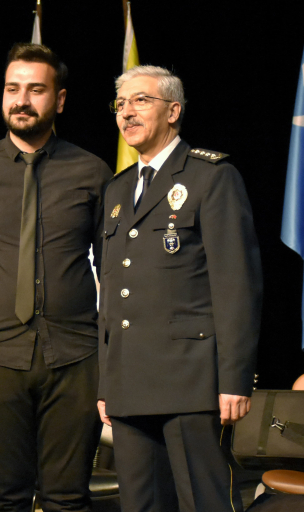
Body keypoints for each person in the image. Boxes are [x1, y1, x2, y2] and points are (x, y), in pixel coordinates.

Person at [0, 43, 113, 511]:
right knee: (5, 498)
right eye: (12, 89)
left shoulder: (93, 173)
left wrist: (114, 363)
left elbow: (116, 274)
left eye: (36, 90)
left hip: (77, 359)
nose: (22, 100)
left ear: (60, 99)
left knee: (68, 498)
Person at [98, 65, 262, 512]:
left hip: (192, 382)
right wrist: (106, 382)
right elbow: (111, 293)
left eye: (140, 100)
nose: (127, 112)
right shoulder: (117, 190)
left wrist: (235, 379)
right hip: (129, 383)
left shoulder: (211, 176)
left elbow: (237, 286)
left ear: (173, 111)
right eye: (120, 104)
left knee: (203, 503)